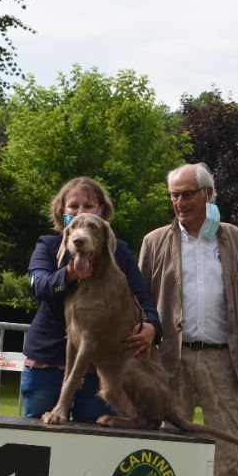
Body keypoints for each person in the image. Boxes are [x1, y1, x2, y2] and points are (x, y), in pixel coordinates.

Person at [139, 162, 238, 476]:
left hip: (221, 362)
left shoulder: (236, 240)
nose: (179, 202)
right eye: (174, 194)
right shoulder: (154, 241)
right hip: (167, 363)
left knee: (227, 458)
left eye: (187, 194)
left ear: (209, 194)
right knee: (169, 453)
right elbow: (139, 305)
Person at [22, 177, 161, 423]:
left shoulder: (117, 252)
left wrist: (152, 326)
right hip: (47, 363)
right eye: (73, 206)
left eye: (88, 206)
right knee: (39, 437)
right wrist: (70, 273)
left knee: (91, 441)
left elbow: (142, 296)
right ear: (62, 211)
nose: (80, 211)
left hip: (98, 372)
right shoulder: (48, 246)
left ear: (102, 211)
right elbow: (39, 286)